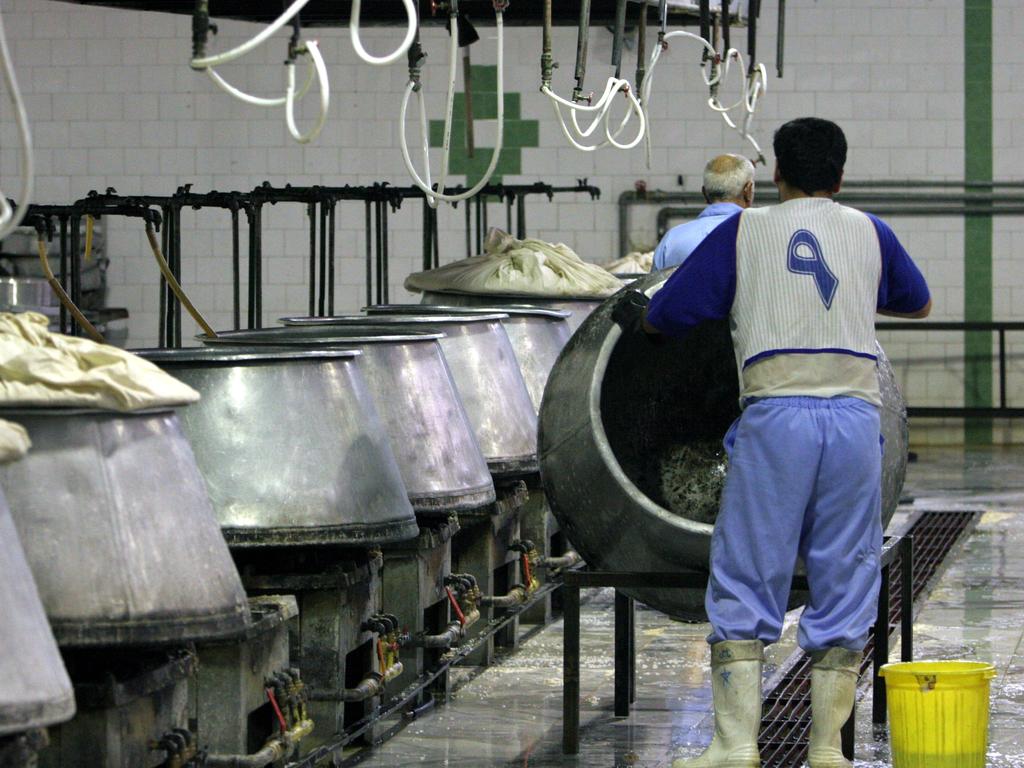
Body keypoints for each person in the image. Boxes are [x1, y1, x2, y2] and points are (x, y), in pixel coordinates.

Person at [613, 117, 931, 768]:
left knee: (749, 571)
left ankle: (733, 746)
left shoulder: (742, 230)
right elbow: (917, 300)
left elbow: (668, 314)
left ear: (774, 177)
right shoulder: (871, 231)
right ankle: (825, 751)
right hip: (853, 416)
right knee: (845, 572)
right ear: (842, 177)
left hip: (777, 414)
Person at [652, 153, 756, 271]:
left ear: (704, 193)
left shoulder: (672, 239)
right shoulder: (762, 235)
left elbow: (654, 288)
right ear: (748, 191)